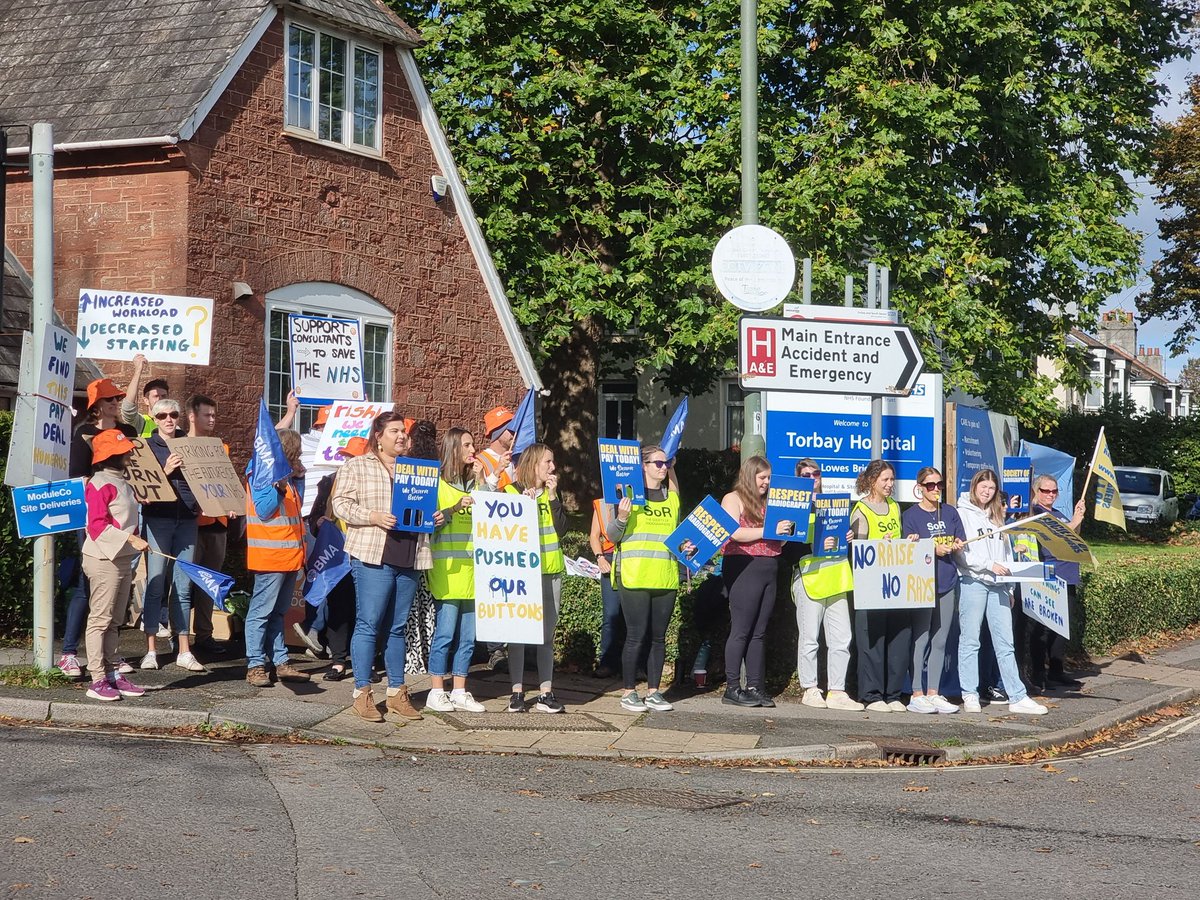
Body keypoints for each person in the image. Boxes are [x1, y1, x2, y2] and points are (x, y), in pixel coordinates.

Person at [331, 412, 424, 723]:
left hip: (410, 554)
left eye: (404, 432)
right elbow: (340, 504)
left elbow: (425, 506)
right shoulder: (357, 465)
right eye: (395, 431)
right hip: (373, 554)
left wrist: (436, 516)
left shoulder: (417, 470)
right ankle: (363, 693)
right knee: (369, 623)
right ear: (379, 435)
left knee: (398, 628)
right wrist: (372, 516)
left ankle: (397, 692)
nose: (401, 436)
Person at [57, 378, 139, 678]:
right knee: (85, 587)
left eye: (117, 399)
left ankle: (109, 660)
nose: (115, 403)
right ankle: (69, 652)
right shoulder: (84, 434)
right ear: (96, 406)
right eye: (109, 400)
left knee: (117, 597)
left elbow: (141, 473)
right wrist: (102, 491)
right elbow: (79, 478)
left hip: (125, 521)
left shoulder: (126, 433)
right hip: (98, 521)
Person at [955, 469, 1047, 715]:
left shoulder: (998, 517)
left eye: (992, 488)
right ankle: (970, 694)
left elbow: (1006, 553)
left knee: (1005, 643)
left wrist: (1010, 586)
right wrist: (987, 565)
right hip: (973, 582)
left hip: (999, 586)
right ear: (974, 487)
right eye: (983, 486)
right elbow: (961, 553)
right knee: (970, 640)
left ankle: (1017, 695)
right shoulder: (962, 514)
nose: (987, 492)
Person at [608, 445, 680, 713]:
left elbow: (680, 536)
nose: (663, 467)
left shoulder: (671, 499)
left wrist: (672, 464)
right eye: (658, 463)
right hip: (635, 576)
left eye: (666, 463)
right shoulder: (626, 498)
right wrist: (622, 518)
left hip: (664, 578)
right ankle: (628, 692)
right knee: (636, 636)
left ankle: (654, 692)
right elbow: (613, 536)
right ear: (643, 466)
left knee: (658, 638)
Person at [81, 429, 150, 701]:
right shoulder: (100, 483)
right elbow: (96, 526)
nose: (130, 454)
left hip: (120, 557)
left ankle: (110, 673)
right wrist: (131, 539)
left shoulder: (120, 481)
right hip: (102, 558)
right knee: (101, 619)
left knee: (113, 621)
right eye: (125, 451)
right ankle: (97, 678)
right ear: (113, 455)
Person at [791, 458, 864, 711]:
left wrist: (849, 536)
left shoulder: (835, 505)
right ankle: (810, 688)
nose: (812, 478)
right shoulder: (793, 507)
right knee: (810, 638)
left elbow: (844, 540)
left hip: (837, 576)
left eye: (816, 473)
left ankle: (837, 690)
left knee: (842, 637)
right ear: (798, 478)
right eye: (805, 475)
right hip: (809, 577)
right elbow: (787, 547)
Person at [139, 398, 206, 673]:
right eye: (163, 415)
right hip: (159, 521)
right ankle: (151, 650)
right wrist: (165, 472)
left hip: (187, 520)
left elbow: (207, 478)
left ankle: (184, 650)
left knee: (183, 586)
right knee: (156, 584)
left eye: (173, 414)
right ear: (154, 419)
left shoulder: (189, 444)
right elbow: (144, 493)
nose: (169, 419)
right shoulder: (146, 448)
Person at [425, 427, 487, 713]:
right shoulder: (437, 485)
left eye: (473, 444)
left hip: (474, 571)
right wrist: (452, 508)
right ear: (454, 449)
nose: (472, 449)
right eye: (467, 445)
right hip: (448, 571)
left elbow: (493, 519)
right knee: (445, 633)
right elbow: (430, 523)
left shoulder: (475, 486)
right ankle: (437, 690)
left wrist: (482, 481)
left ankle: (460, 689)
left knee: (468, 637)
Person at [244, 428, 312, 687]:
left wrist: (300, 480)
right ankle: (255, 665)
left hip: (289, 556)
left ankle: (280, 661)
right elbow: (263, 510)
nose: (301, 456)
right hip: (270, 556)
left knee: (278, 613)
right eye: (298, 453)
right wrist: (281, 485)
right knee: (261, 613)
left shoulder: (287, 477)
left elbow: (296, 507)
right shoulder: (263, 472)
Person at [504, 443, 566, 713]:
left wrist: (552, 497)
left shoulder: (552, 493)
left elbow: (562, 529)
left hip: (551, 570)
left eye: (553, 463)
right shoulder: (512, 492)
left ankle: (545, 692)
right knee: (518, 633)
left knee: (546, 635)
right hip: (522, 573)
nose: (553, 468)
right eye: (548, 462)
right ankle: (516, 692)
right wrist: (523, 507)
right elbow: (502, 532)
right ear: (533, 464)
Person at [901, 466, 965, 714]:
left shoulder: (949, 512)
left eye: (939, 484)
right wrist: (930, 547)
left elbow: (959, 541)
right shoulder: (910, 515)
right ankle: (916, 692)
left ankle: (934, 692)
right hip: (922, 583)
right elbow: (906, 548)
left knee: (940, 638)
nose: (936, 489)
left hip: (947, 580)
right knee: (921, 637)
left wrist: (957, 545)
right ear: (920, 488)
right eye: (930, 485)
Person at [720, 455, 783, 708]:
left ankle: (756, 686)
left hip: (770, 565)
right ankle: (732, 687)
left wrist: (786, 531)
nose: (766, 482)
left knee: (759, 632)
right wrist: (768, 530)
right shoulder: (733, 498)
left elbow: (781, 539)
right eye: (762, 477)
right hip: (743, 565)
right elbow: (733, 531)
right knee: (741, 629)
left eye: (769, 478)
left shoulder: (771, 502)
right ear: (750, 476)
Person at [850, 459, 911, 712]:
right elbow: (856, 549)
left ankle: (893, 693)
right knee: (872, 639)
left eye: (891, 479)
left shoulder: (895, 507)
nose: (889, 484)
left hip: (894, 582)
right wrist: (879, 544)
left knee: (898, 637)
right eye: (885, 479)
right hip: (870, 585)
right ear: (872, 481)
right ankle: (872, 694)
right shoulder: (861, 510)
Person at [306, 436, 369, 681]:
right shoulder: (329, 482)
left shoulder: (376, 486)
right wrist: (318, 523)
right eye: (345, 457)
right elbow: (313, 518)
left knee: (364, 611)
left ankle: (366, 664)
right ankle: (339, 662)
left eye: (352, 458)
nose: (346, 461)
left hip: (364, 552)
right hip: (338, 557)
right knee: (338, 608)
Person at [1026, 474, 1087, 691]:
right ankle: (1038, 673)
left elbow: (1072, 539)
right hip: (1050, 576)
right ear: (1036, 491)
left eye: (1054, 491)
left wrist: (1076, 519)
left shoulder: (1058, 513)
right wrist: (1073, 523)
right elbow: (1054, 539)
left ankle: (1057, 670)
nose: (1050, 495)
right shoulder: (1035, 513)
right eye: (1045, 491)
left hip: (1068, 575)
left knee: (1062, 628)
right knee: (1043, 628)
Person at [186, 394, 232, 653]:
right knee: (182, 584)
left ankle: (204, 635)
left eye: (214, 415)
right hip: (191, 525)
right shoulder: (180, 446)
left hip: (218, 523)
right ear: (192, 416)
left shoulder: (220, 447)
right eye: (207, 415)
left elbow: (227, 483)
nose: (212, 419)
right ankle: (179, 635)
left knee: (209, 582)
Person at [476, 406, 515, 672]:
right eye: (510, 428)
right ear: (498, 432)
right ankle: (495, 649)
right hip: (492, 534)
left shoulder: (518, 459)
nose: (514, 433)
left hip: (514, 533)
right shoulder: (481, 461)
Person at [589, 497, 623, 679]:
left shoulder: (642, 499)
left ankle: (637, 665)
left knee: (635, 618)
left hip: (634, 559)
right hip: (610, 559)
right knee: (611, 615)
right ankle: (607, 663)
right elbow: (594, 535)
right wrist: (600, 557)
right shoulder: (602, 504)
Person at [119, 353, 175, 437]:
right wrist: (138, 370)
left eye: (163, 396)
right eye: (155, 396)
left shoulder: (174, 426)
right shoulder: (141, 422)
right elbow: (128, 407)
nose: (160, 399)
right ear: (146, 400)